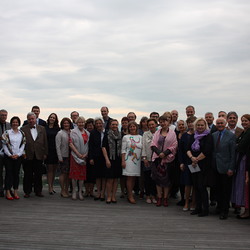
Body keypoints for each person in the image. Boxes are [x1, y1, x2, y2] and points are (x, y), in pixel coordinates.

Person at [187, 118, 213, 217]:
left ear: (205, 125)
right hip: (194, 164)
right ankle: (198, 208)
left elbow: (207, 151)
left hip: (203, 165)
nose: (200, 127)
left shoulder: (208, 136)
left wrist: (196, 160)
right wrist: (192, 158)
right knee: (196, 186)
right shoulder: (193, 136)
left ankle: (205, 209)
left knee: (202, 187)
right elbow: (188, 149)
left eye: (202, 125)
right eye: (198, 125)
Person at [151, 115, 178, 207]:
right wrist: (159, 153)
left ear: (168, 122)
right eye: (161, 122)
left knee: (167, 180)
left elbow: (174, 145)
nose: (163, 123)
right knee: (158, 180)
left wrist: (165, 153)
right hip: (158, 159)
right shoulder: (157, 133)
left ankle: (165, 198)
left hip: (168, 159)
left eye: (165, 121)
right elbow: (153, 144)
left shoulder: (172, 133)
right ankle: (159, 197)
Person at [212, 118, 235, 220]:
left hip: (226, 167)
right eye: (218, 123)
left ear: (225, 124)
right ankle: (219, 206)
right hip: (215, 166)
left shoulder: (231, 136)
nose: (220, 125)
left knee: (226, 190)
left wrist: (231, 168)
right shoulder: (214, 135)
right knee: (217, 189)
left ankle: (224, 211)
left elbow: (233, 154)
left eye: (221, 123)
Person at [21, 112, 48, 198]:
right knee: (27, 174)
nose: (31, 120)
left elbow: (45, 141)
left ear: (36, 119)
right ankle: (27, 191)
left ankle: (38, 191)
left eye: (32, 119)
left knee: (38, 174)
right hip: (28, 154)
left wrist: (45, 153)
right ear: (27, 120)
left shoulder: (42, 128)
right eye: (29, 119)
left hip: (39, 154)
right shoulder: (23, 129)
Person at [2, 116, 26, 200]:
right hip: (8, 157)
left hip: (18, 157)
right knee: (9, 174)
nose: (15, 123)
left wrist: (18, 154)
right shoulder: (6, 133)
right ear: (11, 123)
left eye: (16, 122)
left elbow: (23, 145)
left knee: (16, 174)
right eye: (13, 122)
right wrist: (9, 154)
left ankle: (15, 191)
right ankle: (8, 192)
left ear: (19, 123)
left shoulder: (22, 133)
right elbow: (4, 145)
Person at [231, 114, 250, 219]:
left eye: (246, 121)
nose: (243, 123)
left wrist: (237, 146)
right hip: (242, 161)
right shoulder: (244, 132)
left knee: (245, 187)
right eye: (242, 121)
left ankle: (247, 211)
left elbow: (240, 146)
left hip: (246, 162)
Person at [179, 116, 197, 211]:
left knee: (194, 183)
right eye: (189, 122)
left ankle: (193, 203)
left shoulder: (199, 135)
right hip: (186, 162)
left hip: (196, 162)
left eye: (192, 122)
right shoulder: (185, 135)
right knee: (187, 183)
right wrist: (181, 162)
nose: (191, 124)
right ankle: (186, 202)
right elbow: (181, 150)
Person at [122, 121, 142, 204]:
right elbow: (123, 150)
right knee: (129, 177)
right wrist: (123, 160)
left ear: (136, 127)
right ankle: (130, 195)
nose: (132, 128)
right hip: (128, 160)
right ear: (128, 128)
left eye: (134, 126)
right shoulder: (126, 137)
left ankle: (131, 193)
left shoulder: (140, 137)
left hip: (137, 160)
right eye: (131, 127)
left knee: (134, 177)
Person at [69, 116, 89, 200]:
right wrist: (77, 153)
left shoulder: (87, 133)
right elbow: (70, 143)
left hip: (84, 156)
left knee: (81, 175)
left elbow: (89, 145)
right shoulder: (72, 132)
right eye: (79, 122)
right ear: (77, 123)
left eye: (83, 122)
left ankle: (80, 191)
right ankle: (74, 191)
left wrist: (85, 154)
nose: (81, 124)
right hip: (75, 156)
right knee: (74, 175)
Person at [102, 119, 122, 203]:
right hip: (110, 159)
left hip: (118, 159)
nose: (114, 126)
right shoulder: (107, 135)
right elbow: (103, 147)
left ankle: (113, 196)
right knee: (110, 179)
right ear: (110, 125)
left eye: (116, 124)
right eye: (113, 124)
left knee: (116, 179)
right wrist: (107, 160)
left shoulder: (121, 135)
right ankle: (109, 196)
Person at [89, 118, 106, 201]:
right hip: (96, 157)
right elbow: (90, 146)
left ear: (102, 124)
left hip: (105, 157)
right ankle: (98, 192)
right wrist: (91, 157)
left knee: (104, 175)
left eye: (100, 123)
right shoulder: (93, 133)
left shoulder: (106, 132)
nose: (99, 125)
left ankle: (103, 193)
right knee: (98, 176)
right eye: (97, 123)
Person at [141, 118, 157, 204]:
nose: (151, 126)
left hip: (156, 159)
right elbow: (143, 146)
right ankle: (147, 195)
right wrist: (144, 158)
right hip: (147, 159)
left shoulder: (159, 133)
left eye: (152, 124)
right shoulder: (145, 134)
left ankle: (153, 195)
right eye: (149, 125)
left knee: (154, 178)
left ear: (156, 124)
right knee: (147, 178)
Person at [56, 117, 72, 198]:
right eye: (64, 123)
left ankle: (66, 189)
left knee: (69, 174)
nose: (66, 125)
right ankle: (62, 190)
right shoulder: (60, 133)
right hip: (63, 156)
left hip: (71, 156)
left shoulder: (72, 132)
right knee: (63, 174)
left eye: (68, 123)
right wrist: (60, 157)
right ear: (62, 124)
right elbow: (57, 146)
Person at [45, 113, 60, 194]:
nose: (52, 119)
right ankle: (50, 187)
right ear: (48, 118)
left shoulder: (58, 129)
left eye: (54, 118)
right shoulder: (45, 128)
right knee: (50, 169)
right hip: (48, 151)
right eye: (51, 117)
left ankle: (52, 186)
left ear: (55, 119)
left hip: (56, 151)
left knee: (54, 169)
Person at [0, 109, 11, 197]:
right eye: (2, 115)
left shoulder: (9, 125)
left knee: (8, 171)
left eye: (5, 115)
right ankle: (0, 189)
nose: (3, 116)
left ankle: (8, 188)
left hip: (7, 152)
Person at [84, 118, 95, 197]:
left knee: (92, 175)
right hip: (85, 156)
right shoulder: (84, 133)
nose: (90, 127)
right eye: (88, 126)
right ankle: (86, 190)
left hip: (93, 156)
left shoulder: (95, 133)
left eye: (91, 125)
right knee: (86, 175)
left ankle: (91, 191)